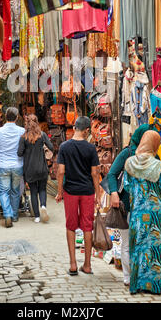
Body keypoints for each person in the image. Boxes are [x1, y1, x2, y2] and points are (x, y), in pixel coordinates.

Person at [124, 130, 161, 295]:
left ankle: (139, 284)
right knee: (158, 249)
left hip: (138, 216)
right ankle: (160, 286)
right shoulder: (159, 166)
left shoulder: (130, 164)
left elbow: (127, 186)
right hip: (158, 216)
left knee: (141, 249)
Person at [107, 124, 157, 287]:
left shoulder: (155, 157)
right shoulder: (127, 153)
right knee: (128, 243)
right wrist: (114, 192)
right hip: (127, 206)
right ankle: (129, 277)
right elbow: (112, 174)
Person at [56, 116, 100, 276]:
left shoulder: (64, 147)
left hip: (71, 192)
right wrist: (98, 195)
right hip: (87, 191)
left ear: (74, 128)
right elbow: (95, 173)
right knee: (88, 226)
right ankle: (87, 265)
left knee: (71, 226)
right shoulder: (90, 148)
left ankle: (73, 264)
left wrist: (60, 191)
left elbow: (61, 171)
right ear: (87, 130)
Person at [0, 107, 25, 227]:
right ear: (17, 117)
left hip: (3, 165)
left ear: (5, 117)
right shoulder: (22, 131)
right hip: (17, 165)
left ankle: (8, 214)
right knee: (15, 191)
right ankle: (14, 216)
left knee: (3, 192)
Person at [17, 114, 53, 224]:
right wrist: (43, 148)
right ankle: (43, 205)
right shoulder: (42, 135)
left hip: (29, 169)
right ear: (37, 122)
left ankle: (37, 216)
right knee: (42, 189)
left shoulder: (24, 137)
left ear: (26, 124)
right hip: (42, 167)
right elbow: (51, 147)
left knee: (33, 191)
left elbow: (19, 153)